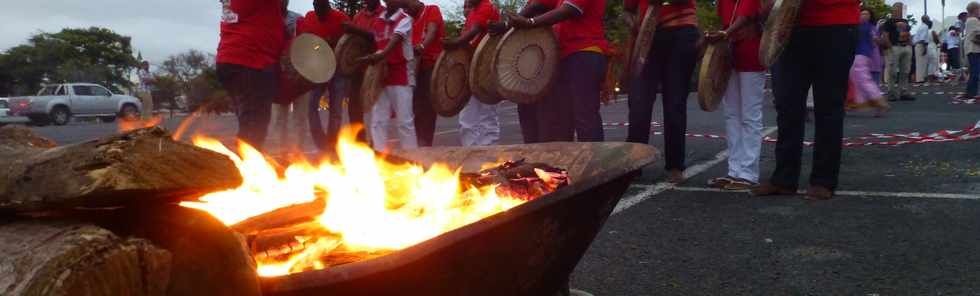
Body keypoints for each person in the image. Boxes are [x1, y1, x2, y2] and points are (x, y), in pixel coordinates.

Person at [750, 0, 859, 200]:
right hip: (788, 24)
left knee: (829, 105)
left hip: (835, 24)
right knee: (787, 104)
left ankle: (823, 180)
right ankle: (784, 179)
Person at [506, 0, 608, 144]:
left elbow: (570, 9)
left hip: (585, 52)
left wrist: (530, 22)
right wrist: (507, 25)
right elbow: (538, 4)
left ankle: (595, 164)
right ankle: (563, 164)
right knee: (561, 121)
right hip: (563, 57)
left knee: (585, 118)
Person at [623, 0, 698, 184]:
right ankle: (634, 163)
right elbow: (627, 10)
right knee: (639, 102)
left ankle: (675, 166)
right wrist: (633, 24)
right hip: (647, 36)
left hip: (681, 33)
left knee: (675, 102)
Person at [700, 0, 765, 190]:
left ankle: (749, 173)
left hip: (750, 49)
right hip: (729, 51)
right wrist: (717, 37)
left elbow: (745, 17)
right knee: (731, 114)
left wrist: (725, 34)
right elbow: (725, 22)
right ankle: (734, 171)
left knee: (750, 115)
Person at [216, 0, 286, 150]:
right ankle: (245, 168)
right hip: (252, 60)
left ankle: (246, 161)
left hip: (231, 57)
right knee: (254, 125)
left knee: (249, 121)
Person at [359, 0, 417, 151]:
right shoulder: (378, 21)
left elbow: (395, 41)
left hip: (400, 75)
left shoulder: (405, 19)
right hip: (381, 76)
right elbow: (376, 45)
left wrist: (379, 57)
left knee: (404, 121)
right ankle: (379, 157)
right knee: (378, 120)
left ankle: (413, 159)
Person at [443, 0, 501, 146]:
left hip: (486, 68)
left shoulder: (486, 6)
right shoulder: (473, 12)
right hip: (471, 69)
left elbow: (474, 32)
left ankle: (489, 154)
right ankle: (469, 152)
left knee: (487, 115)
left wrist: (455, 43)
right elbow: (468, 41)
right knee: (467, 117)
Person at [297, 0, 349, 153]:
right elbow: (304, 41)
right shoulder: (309, 17)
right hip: (318, 69)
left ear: (328, 6)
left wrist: (332, 42)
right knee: (311, 105)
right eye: (316, 8)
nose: (319, 12)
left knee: (336, 109)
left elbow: (349, 42)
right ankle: (321, 143)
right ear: (313, 6)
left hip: (337, 68)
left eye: (322, 9)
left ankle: (332, 143)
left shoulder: (341, 18)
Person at [271, 0, 309, 154]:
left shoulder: (299, 19)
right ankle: (282, 153)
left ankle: (298, 153)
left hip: (299, 74)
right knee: (279, 119)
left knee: (300, 118)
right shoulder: (267, 19)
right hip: (277, 76)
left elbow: (307, 44)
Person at [406, 0, 445, 147]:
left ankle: (425, 144)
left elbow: (432, 31)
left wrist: (422, 46)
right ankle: (417, 144)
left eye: (406, 5)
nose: (406, 9)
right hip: (415, 67)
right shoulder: (409, 19)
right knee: (415, 107)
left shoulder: (431, 9)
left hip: (431, 66)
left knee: (427, 108)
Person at [847, 8, 890, 117]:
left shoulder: (865, 26)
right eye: (862, 13)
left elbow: (875, 41)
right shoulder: (867, 27)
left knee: (862, 78)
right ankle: (860, 102)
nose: (863, 16)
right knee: (855, 78)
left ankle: (879, 101)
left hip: (861, 54)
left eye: (866, 14)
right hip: (860, 54)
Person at [880, 3, 915, 102]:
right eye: (897, 8)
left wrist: (910, 44)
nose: (899, 10)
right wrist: (890, 47)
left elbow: (908, 33)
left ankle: (904, 92)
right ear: (893, 9)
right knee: (892, 72)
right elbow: (885, 35)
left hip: (905, 47)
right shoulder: (888, 22)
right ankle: (891, 93)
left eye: (901, 8)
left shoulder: (905, 21)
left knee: (905, 71)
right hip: (895, 47)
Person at [964, 2, 980, 100]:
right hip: (974, 49)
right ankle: (971, 92)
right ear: (975, 10)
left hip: (972, 48)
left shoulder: (970, 20)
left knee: (974, 71)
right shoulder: (973, 20)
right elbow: (978, 34)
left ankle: (971, 92)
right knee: (975, 71)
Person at [912, 15, 933, 83]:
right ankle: (921, 79)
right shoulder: (925, 27)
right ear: (927, 20)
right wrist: (924, 48)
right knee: (922, 63)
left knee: (919, 63)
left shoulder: (921, 26)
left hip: (917, 45)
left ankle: (919, 78)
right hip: (921, 45)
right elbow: (922, 38)